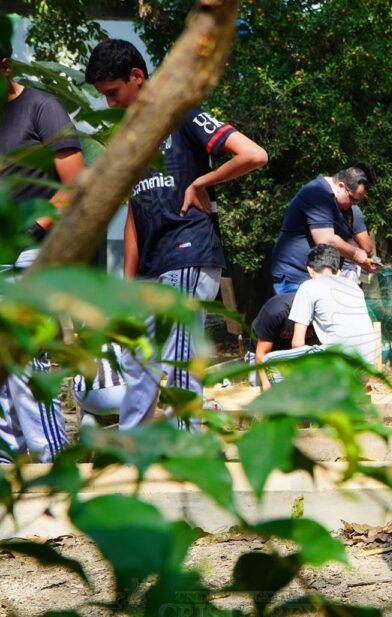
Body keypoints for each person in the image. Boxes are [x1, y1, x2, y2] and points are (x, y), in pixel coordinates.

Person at [85, 39, 268, 430]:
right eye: (104, 95)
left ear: (137, 76)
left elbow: (254, 154)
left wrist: (202, 181)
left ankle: (186, 446)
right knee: (138, 360)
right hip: (151, 267)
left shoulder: (182, 113)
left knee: (178, 358)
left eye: (113, 92)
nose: (109, 103)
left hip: (188, 253)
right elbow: (135, 211)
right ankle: (133, 445)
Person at [0, 43, 85, 461]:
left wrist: (33, 230)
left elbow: (76, 185)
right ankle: (8, 456)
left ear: (5, 66)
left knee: (24, 353)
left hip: (32, 253)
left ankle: (50, 453)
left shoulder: (41, 108)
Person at [270, 164, 377, 295]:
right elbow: (326, 240)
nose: (353, 205)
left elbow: (345, 238)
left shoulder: (339, 204)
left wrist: (364, 260)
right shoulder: (316, 193)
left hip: (318, 279)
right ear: (341, 186)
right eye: (353, 199)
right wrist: (356, 254)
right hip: (296, 278)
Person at [283, 244, 378, 365]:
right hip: (368, 361)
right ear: (338, 272)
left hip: (340, 364)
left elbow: (298, 343)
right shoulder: (355, 287)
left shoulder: (308, 287)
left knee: (270, 359)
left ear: (310, 270)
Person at [249, 292, 319, 391]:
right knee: (258, 386)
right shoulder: (275, 312)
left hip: (303, 350)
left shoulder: (321, 312)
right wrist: (265, 383)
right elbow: (261, 353)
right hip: (268, 351)